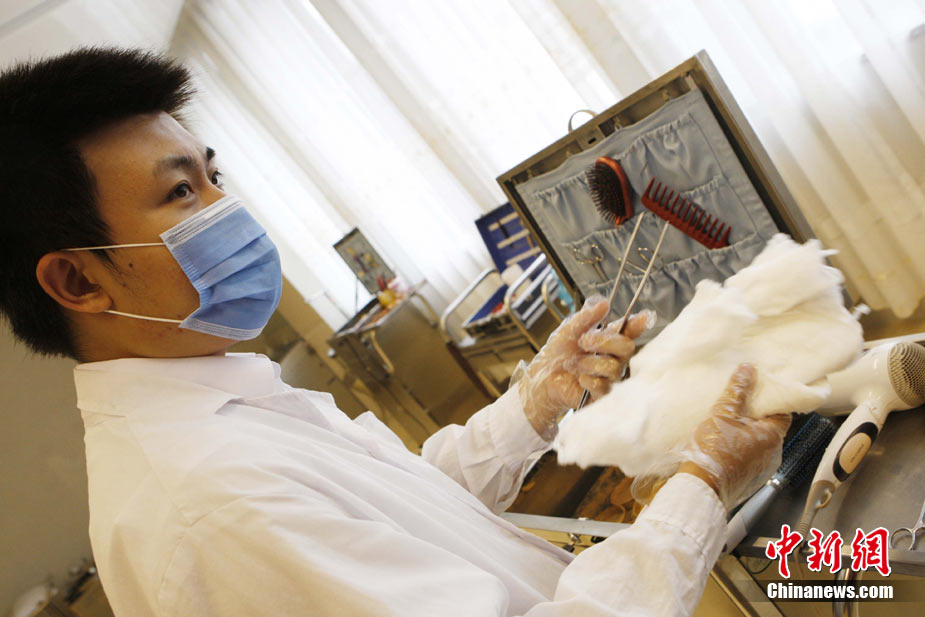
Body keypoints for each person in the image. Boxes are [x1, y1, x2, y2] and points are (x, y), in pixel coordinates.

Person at [0, 47, 789, 617]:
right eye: (181, 192)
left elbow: (406, 505)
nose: (227, 209)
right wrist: (703, 484)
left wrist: (531, 408)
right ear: (78, 280)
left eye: (215, 176)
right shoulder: (208, 504)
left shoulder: (224, 411)